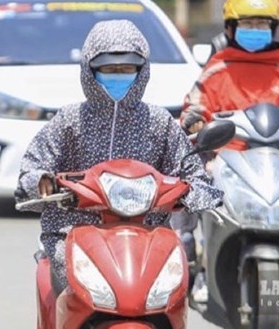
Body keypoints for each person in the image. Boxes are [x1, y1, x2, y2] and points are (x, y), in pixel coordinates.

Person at [15, 20, 223, 287]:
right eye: (109, 69)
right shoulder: (69, 120)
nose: (118, 75)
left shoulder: (159, 122)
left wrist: (195, 192)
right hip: (73, 231)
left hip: (148, 236)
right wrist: (41, 182)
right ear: (90, 70)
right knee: (72, 288)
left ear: (142, 71)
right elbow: (33, 168)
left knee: (175, 288)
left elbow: (192, 173)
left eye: (127, 69)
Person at [179, 0, 279, 279]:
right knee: (190, 180)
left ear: (274, 28)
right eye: (248, 24)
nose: (256, 30)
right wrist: (194, 119)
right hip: (226, 159)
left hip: (278, 159)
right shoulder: (217, 70)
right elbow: (196, 103)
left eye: (262, 25)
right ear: (231, 28)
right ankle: (187, 244)